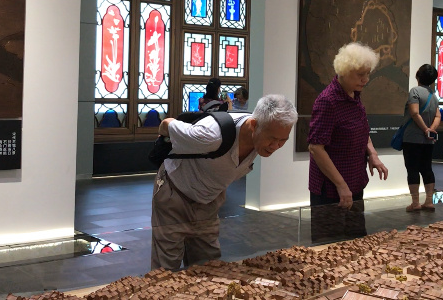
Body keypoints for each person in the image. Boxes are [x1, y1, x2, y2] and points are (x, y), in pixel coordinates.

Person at [151, 94, 298, 270]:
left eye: (283, 140)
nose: (275, 146)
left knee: (208, 265)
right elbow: (166, 124)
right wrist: (165, 137)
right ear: (253, 125)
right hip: (174, 193)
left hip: (209, 199)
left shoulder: (261, 135)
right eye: (272, 139)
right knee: (166, 266)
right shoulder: (210, 135)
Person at [307, 42, 389, 243]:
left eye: (367, 74)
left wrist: (372, 154)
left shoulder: (354, 95)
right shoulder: (328, 101)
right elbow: (316, 147)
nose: (365, 79)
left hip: (354, 180)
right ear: (344, 71)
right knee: (330, 245)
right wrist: (341, 185)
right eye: (360, 74)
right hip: (331, 188)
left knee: (356, 241)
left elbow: (362, 129)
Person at [401, 64, 440, 212]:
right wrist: (431, 130)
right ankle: (429, 201)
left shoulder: (415, 91)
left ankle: (415, 202)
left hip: (412, 138)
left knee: (412, 169)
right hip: (428, 141)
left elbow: (414, 113)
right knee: (427, 168)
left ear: (418, 75)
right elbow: (438, 116)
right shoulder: (433, 95)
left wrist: (424, 129)